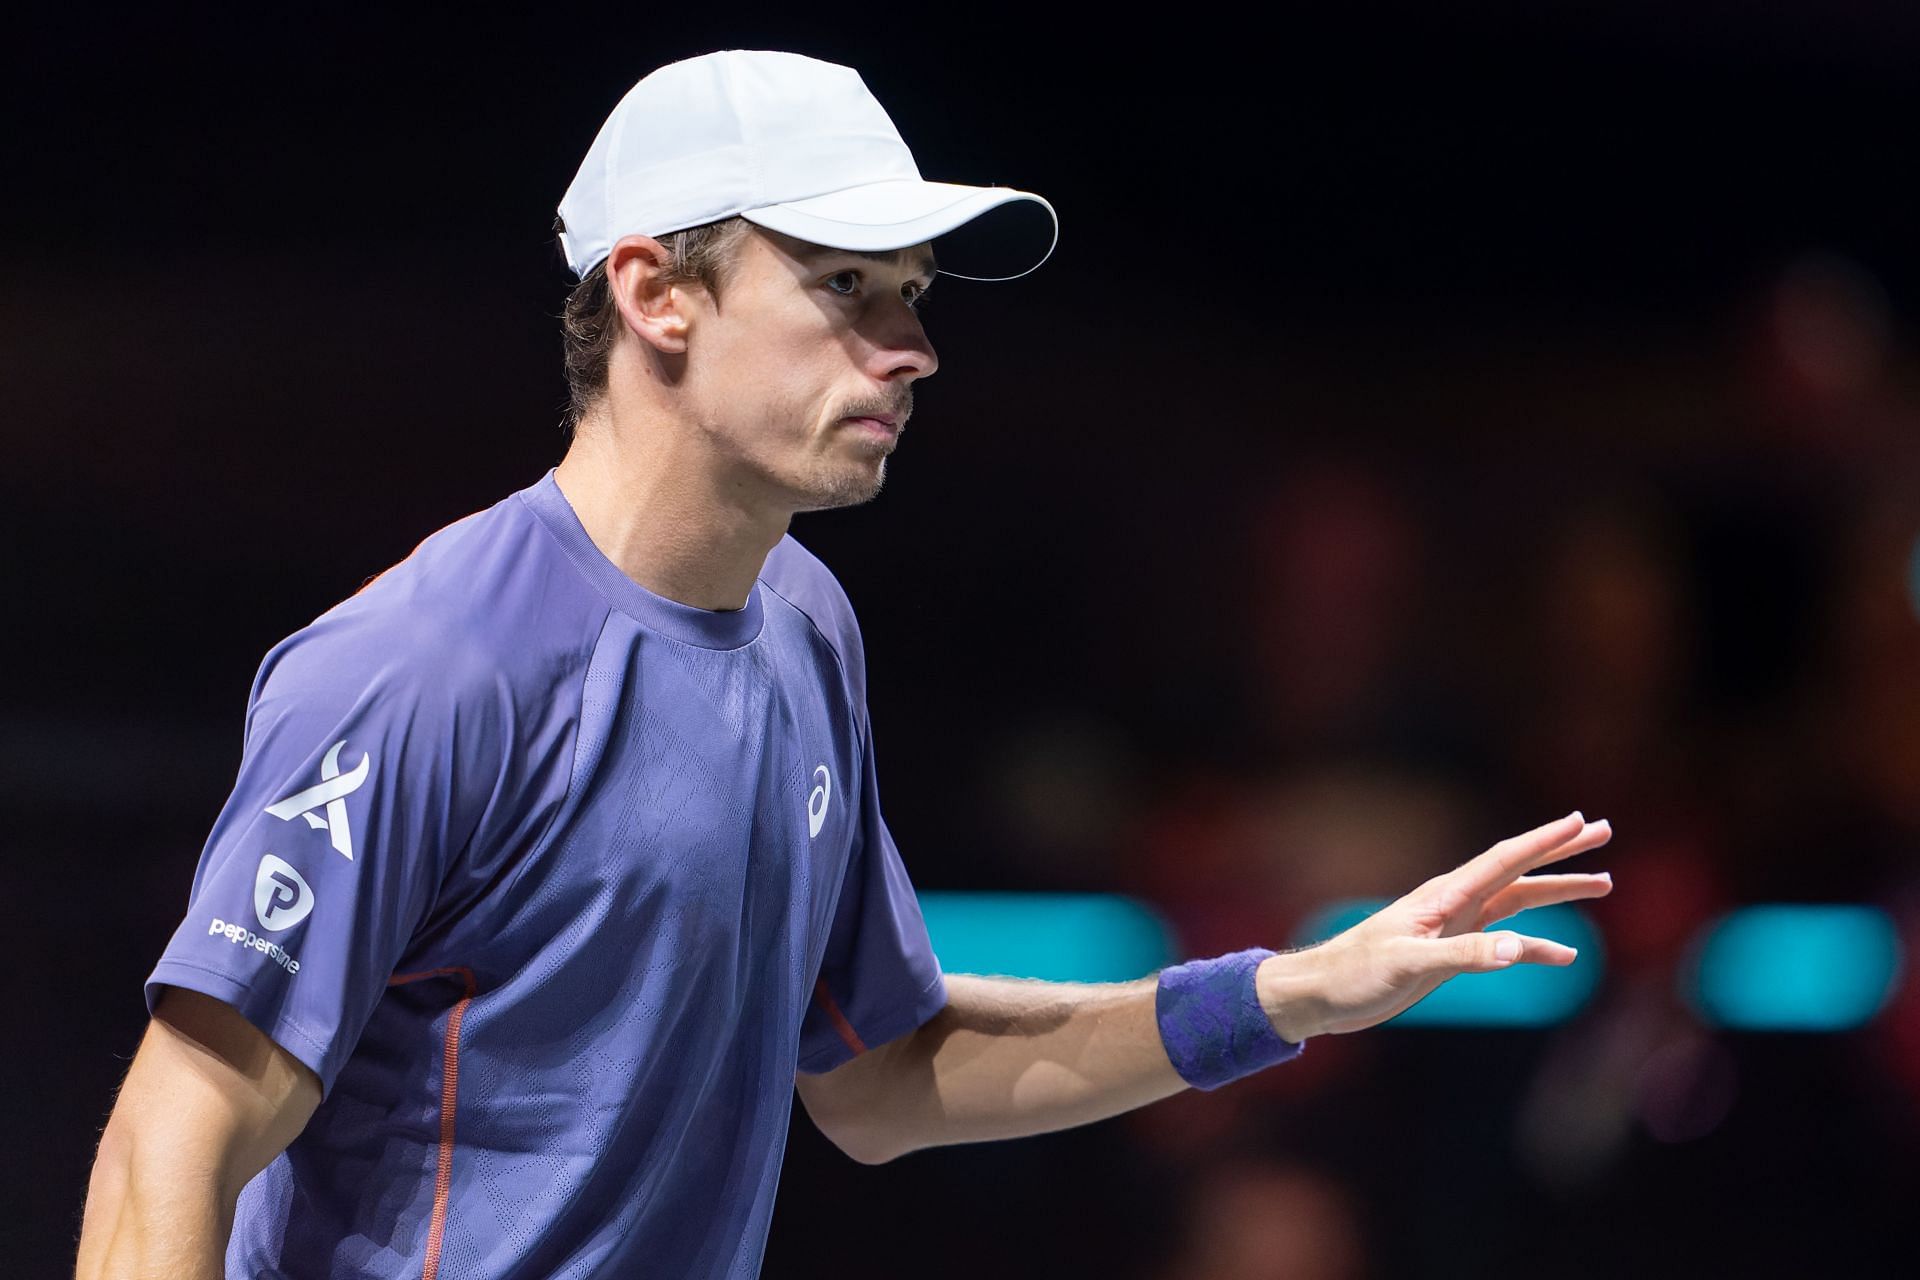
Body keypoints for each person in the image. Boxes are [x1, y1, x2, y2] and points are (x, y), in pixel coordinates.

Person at [75, 49, 1615, 1279]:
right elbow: (177, 1131)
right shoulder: (425, 666)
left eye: (915, 297)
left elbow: (884, 1074)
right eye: (842, 286)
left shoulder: (806, 630)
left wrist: (1289, 995)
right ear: (654, 292)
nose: (912, 347)